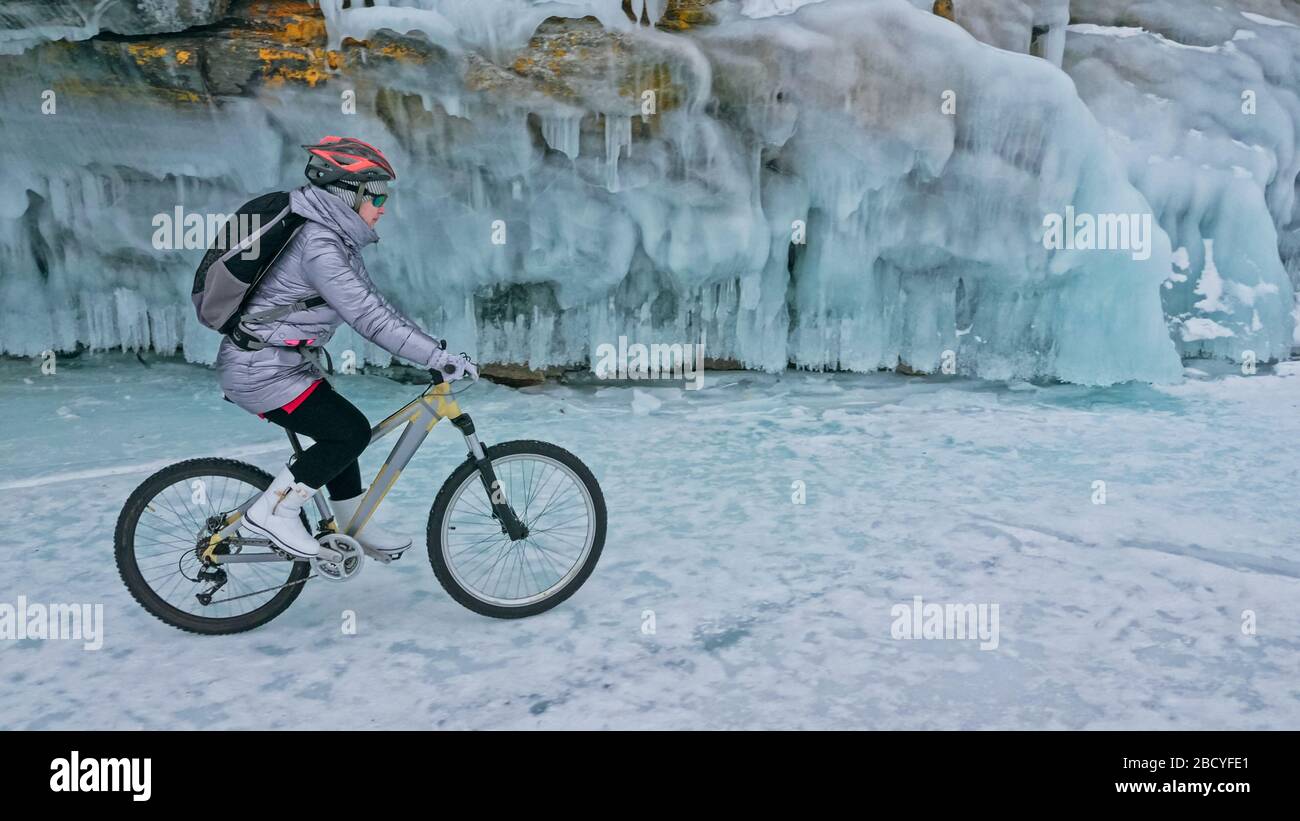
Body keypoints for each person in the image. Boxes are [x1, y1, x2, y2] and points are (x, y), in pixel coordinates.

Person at [216, 136, 476, 560]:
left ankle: (353, 522)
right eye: (377, 195)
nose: (383, 206)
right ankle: (275, 512)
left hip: (279, 365)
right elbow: (369, 318)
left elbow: (377, 306)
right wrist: (435, 357)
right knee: (348, 433)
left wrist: (431, 349)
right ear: (347, 194)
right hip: (260, 369)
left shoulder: (332, 240)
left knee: (343, 429)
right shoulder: (320, 246)